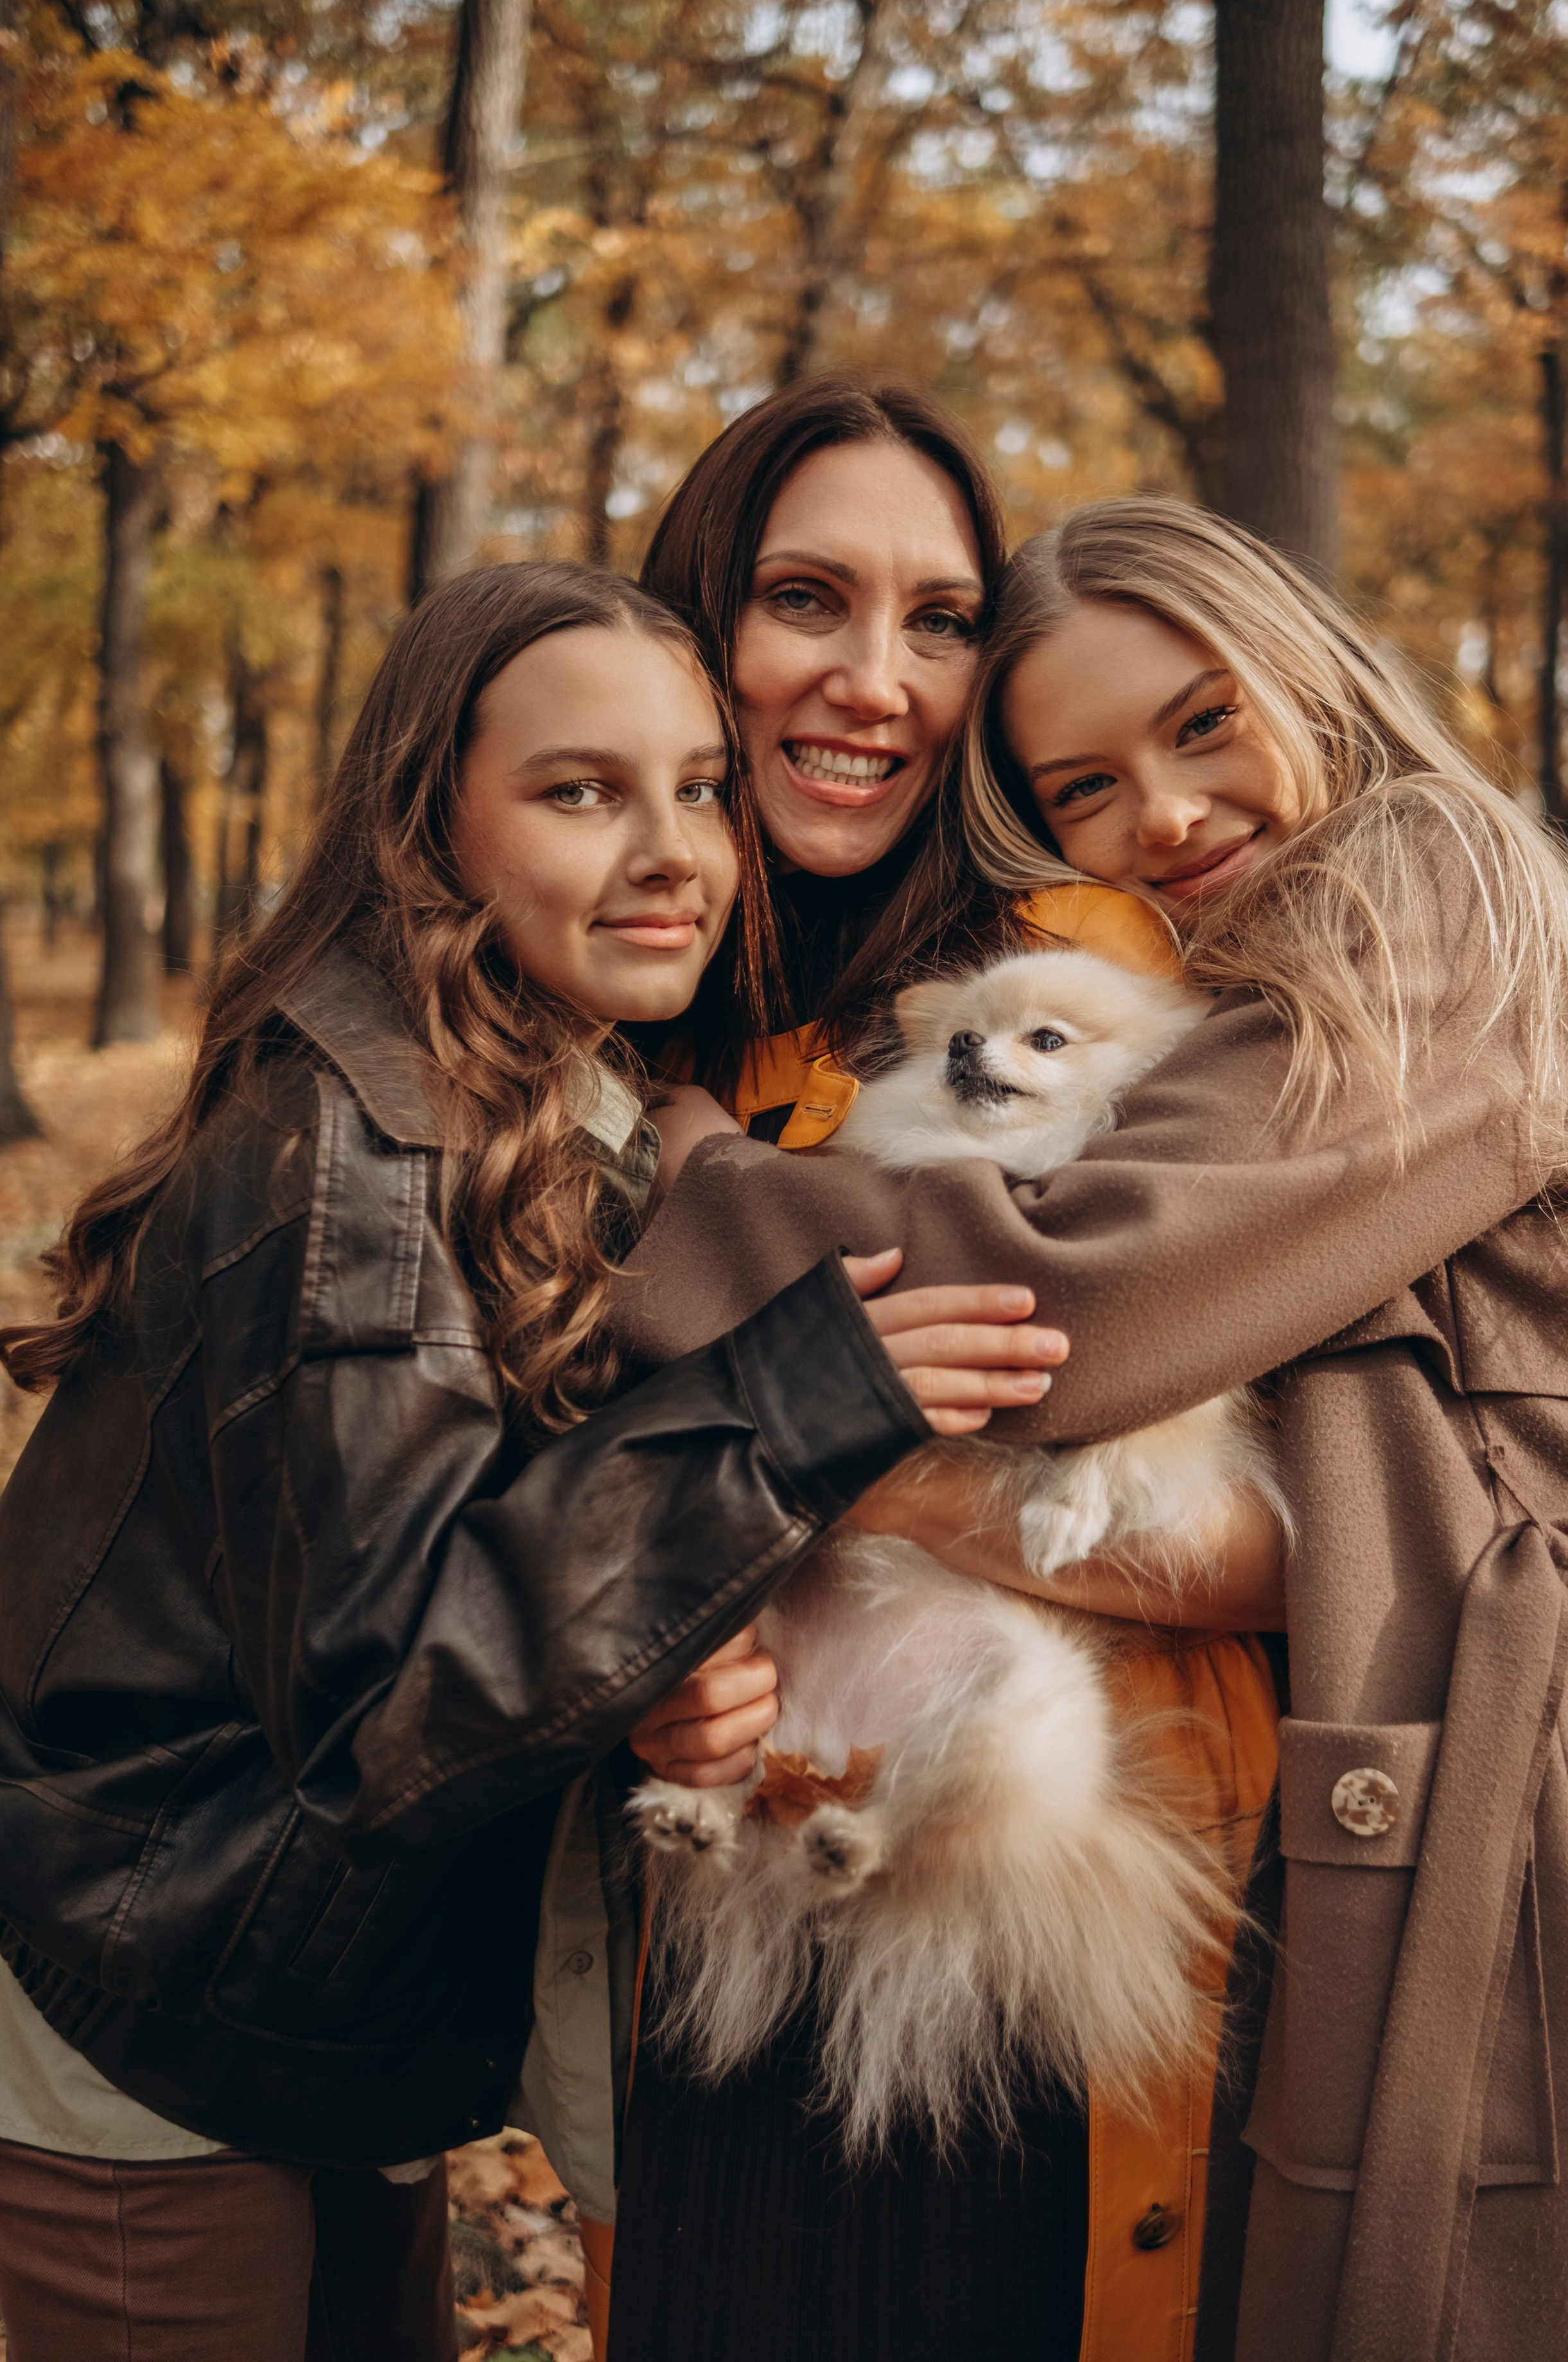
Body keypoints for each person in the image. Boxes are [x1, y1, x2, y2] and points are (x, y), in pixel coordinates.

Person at [620, 496, 1568, 2362]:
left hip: (1539, 1744)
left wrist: (682, 1178)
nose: (1161, 821)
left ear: (1307, 672)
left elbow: (1073, 1311)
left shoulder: (1428, 877)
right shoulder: (1286, 959)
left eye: (1200, 723)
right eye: (1082, 790)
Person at [0, 562, 1057, 2362]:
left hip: (321, 2001)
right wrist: (784, 1405)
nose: (673, 851)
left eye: (700, 787)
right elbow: (390, 1691)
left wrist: (654, 1682)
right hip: (151, 2005)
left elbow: (463, 1553)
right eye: (583, 791)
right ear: (432, 828)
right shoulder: (358, 1149)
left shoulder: (532, 1092)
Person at [598, 385, 1284, 2362]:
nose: (876, 680)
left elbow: (1306, 1527)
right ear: (699, 627)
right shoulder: (668, 1017)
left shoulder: (1095, 973)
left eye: (940, 619)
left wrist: (825, 1450)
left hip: (1043, 1937)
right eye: (808, 600)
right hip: (726, 1910)